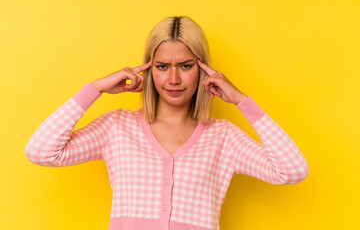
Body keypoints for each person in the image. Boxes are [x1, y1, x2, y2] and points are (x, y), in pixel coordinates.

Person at [25, 16, 309, 230]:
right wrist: (94, 89)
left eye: (185, 66)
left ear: (203, 69)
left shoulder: (224, 138)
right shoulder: (117, 128)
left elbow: (292, 171)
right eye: (162, 67)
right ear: (148, 68)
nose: (173, 80)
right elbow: (41, 152)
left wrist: (242, 102)